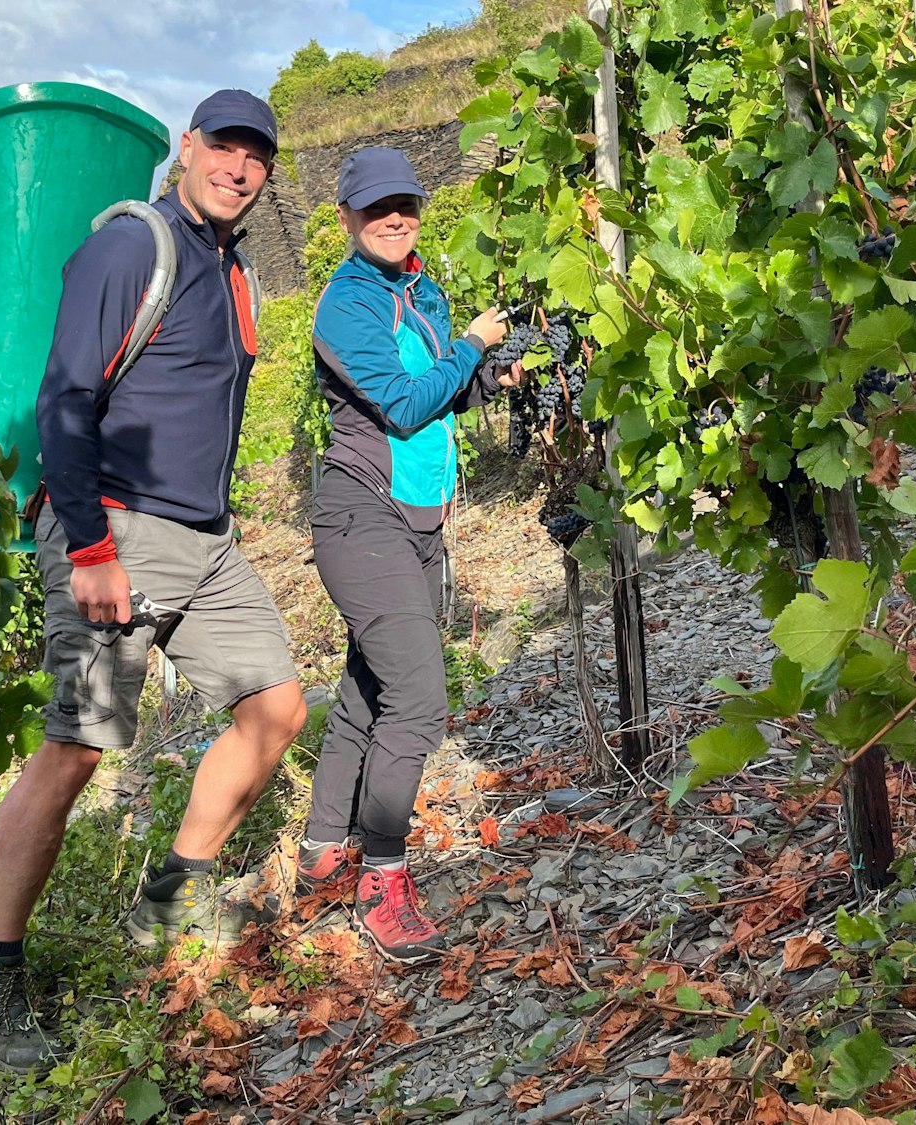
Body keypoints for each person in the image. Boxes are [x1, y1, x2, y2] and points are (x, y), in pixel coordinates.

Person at [0, 89, 309, 1072]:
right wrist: (88, 549)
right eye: (223, 149)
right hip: (118, 532)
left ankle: (173, 892)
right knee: (75, 751)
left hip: (204, 541)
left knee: (275, 708)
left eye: (255, 158)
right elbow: (65, 396)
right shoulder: (132, 246)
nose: (238, 169)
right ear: (185, 149)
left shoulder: (230, 268)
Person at [293, 147, 518, 964]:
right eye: (377, 206)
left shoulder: (419, 291)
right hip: (363, 516)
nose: (395, 217)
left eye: (406, 204)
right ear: (348, 219)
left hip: (415, 518)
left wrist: (494, 374)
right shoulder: (347, 304)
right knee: (419, 700)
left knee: (366, 692)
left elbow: (447, 393)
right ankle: (383, 877)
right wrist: (469, 343)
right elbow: (397, 403)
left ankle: (322, 853)